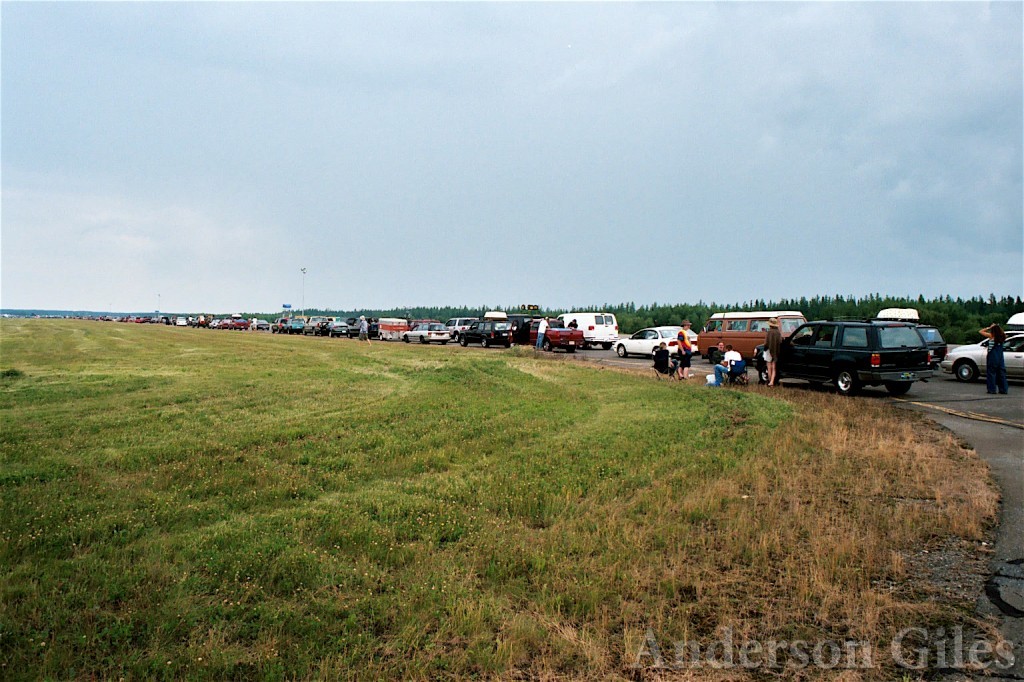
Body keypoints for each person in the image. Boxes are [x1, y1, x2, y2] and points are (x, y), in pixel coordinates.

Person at [979, 323, 1008, 394]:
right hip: (1000, 357)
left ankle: (992, 389)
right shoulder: (1003, 337)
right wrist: (997, 327)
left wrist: (989, 327)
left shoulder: (991, 336)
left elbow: (981, 331)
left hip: (992, 357)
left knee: (991, 373)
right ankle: (1003, 389)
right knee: (1001, 374)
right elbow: (1003, 332)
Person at [764, 317, 782, 387]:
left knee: (769, 367)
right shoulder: (778, 332)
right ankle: (772, 381)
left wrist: (765, 348)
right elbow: (780, 341)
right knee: (774, 368)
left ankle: (769, 381)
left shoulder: (769, 332)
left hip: (768, 351)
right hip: (776, 351)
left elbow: (766, 343)